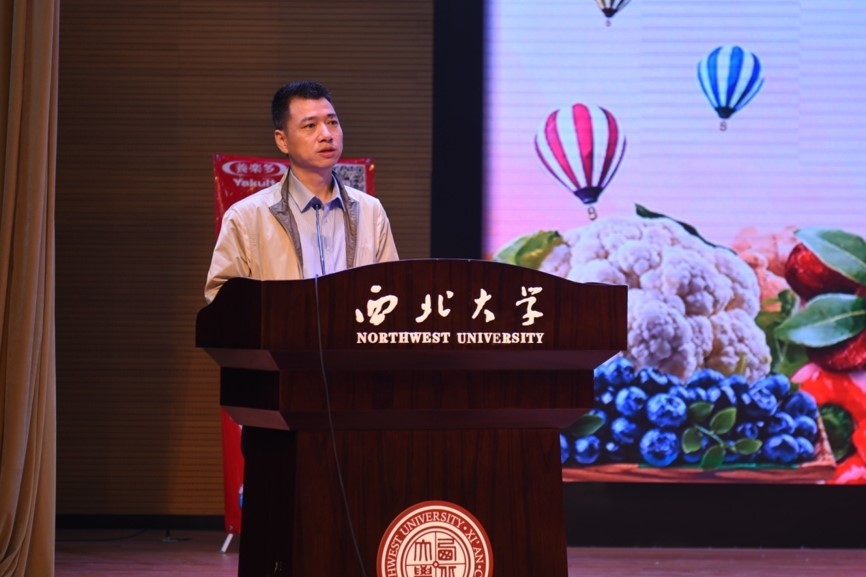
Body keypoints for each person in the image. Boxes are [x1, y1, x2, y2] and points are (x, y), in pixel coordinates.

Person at [204, 80, 399, 303]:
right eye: (310, 126)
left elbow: (392, 290)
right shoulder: (246, 217)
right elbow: (220, 298)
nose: (326, 134)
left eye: (332, 122)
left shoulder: (371, 211)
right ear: (282, 140)